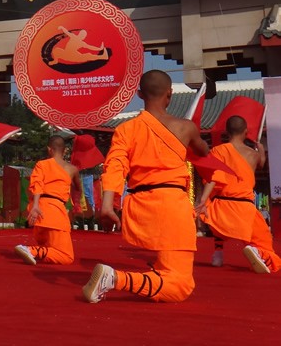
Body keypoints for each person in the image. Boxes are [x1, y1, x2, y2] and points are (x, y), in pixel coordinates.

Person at [82, 70, 210, 303]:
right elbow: (204, 152)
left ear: (140, 94)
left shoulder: (126, 129)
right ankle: (114, 279)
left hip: (140, 207)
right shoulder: (185, 127)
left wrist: (109, 204)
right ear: (169, 95)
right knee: (180, 285)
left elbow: (115, 165)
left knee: (164, 271)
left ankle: (146, 278)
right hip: (172, 206)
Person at [195, 116, 280, 273]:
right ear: (246, 132)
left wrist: (203, 199)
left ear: (227, 132)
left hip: (222, 207)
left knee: (218, 225)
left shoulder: (218, 151)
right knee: (265, 243)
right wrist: (260, 149)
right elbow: (261, 163)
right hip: (244, 209)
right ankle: (258, 252)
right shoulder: (253, 155)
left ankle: (218, 253)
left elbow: (213, 177)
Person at [14, 135, 82, 265]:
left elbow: (37, 185)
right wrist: (76, 205)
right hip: (55, 213)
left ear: (49, 149)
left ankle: (34, 252)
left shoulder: (42, 164)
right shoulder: (72, 169)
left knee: (50, 249)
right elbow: (78, 188)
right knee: (66, 256)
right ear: (65, 150)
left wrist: (35, 206)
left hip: (39, 212)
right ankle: (30, 250)